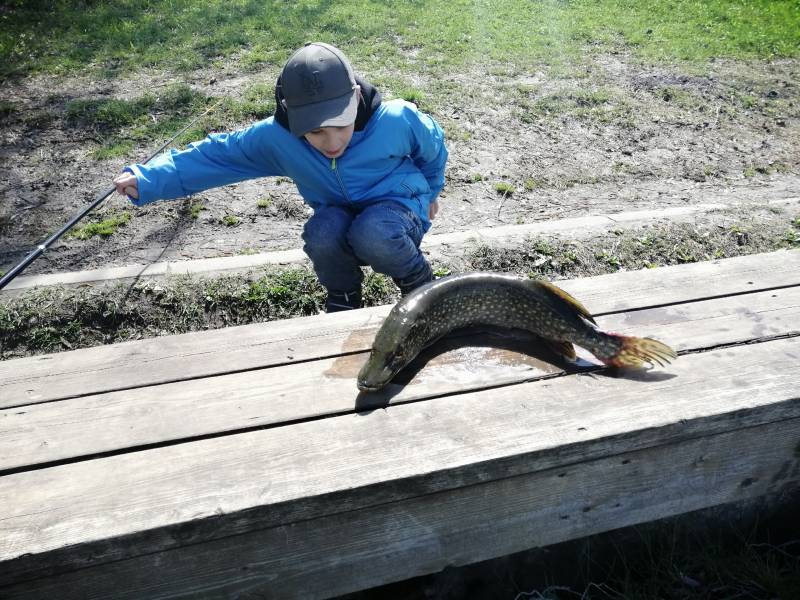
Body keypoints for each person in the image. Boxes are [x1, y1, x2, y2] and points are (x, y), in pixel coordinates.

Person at [113, 42, 448, 312]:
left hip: (398, 210)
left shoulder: (395, 120)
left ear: (356, 98)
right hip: (340, 215)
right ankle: (343, 299)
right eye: (315, 132)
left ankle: (420, 284)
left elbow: (432, 148)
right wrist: (148, 178)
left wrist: (432, 192)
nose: (332, 144)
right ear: (290, 113)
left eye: (340, 127)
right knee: (321, 232)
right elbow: (216, 155)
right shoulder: (278, 139)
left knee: (374, 230)